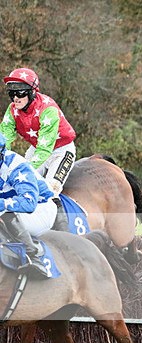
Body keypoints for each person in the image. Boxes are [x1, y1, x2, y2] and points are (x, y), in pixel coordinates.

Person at [2, 67, 76, 231]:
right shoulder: (12, 109)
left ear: (32, 92)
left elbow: (45, 149)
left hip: (61, 151)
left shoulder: (48, 109)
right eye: (11, 93)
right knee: (19, 184)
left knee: (50, 188)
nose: (15, 97)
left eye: (20, 92)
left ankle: (65, 232)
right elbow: (4, 138)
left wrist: (20, 169)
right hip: (36, 148)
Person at [0, 132, 56, 277]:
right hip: (18, 212)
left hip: (41, 210)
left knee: (4, 212)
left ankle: (33, 257)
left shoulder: (16, 166)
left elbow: (28, 203)